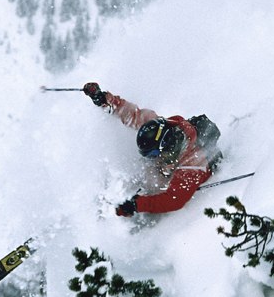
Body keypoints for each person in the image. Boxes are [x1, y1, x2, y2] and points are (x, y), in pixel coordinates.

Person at [83, 82, 218, 217]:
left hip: (177, 179)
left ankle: (133, 208)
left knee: (153, 181)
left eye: (153, 154)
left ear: (165, 146)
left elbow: (173, 200)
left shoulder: (193, 163)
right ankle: (115, 196)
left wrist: (137, 205)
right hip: (168, 166)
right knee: (146, 169)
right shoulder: (158, 126)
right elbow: (132, 115)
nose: (153, 158)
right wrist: (104, 99)